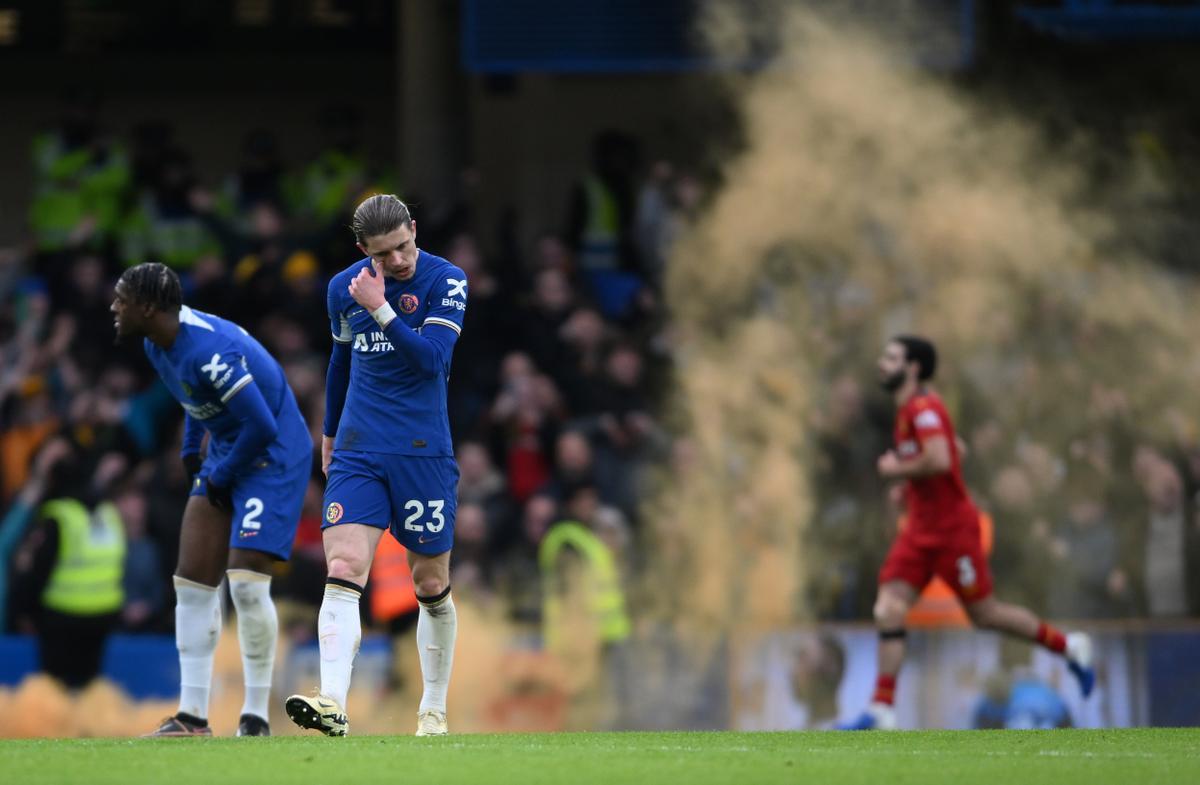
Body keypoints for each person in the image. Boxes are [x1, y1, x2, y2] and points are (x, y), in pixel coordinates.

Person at [837, 336, 1095, 730]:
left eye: (891, 357)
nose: (882, 363)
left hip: (952, 533)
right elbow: (953, 450)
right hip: (920, 531)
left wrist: (897, 470)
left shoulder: (924, 408)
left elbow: (940, 458)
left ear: (914, 368)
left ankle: (1070, 647)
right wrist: (907, 488)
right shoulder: (910, 410)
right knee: (888, 607)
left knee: (986, 614)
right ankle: (882, 709)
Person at [285, 194, 467, 737]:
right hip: (360, 449)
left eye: (405, 246)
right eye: (384, 255)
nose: (400, 261)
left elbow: (433, 360)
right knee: (342, 567)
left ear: (414, 229)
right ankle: (332, 703)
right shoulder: (342, 287)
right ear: (364, 249)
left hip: (422, 451)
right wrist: (331, 431)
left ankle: (433, 709)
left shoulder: (446, 279)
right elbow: (341, 361)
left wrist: (381, 308)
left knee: (430, 581)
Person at [111, 262, 313, 737]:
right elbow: (195, 399)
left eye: (122, 298)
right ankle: (192, 717)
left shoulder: (208, 350)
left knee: (244, 582)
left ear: (147, 306)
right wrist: (189, 449)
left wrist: (219, 472)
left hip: (274, 454)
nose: (114, 306)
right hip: (230, 447)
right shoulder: (156, 343)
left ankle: (256, 717)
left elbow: (262, 425)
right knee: (192, 582)